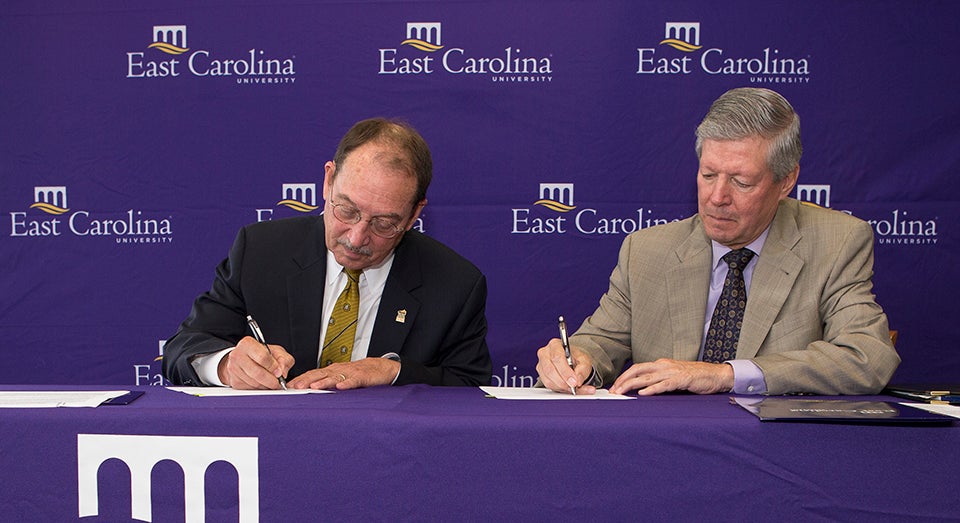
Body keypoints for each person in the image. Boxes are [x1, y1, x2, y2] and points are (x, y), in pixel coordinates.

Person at [536, 87, 899, 396]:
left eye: (741, 182)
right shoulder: (646, 251)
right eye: (708, 175)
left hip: (780, 454)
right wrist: (575, 361)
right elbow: (600, 343)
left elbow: (867, 357)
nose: (717, 197)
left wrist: (725, 374)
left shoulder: (836, 242)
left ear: (786, 181)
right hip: (663, 451)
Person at [163, 118, 492, 390]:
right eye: (346, 210)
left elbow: (471, 388)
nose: (356, 237)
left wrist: (392, 372)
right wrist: (223, 365)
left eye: (383, 224)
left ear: (413, 216)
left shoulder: (455, 284)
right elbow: (183, 348)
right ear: (328, 180)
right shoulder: (260, 251)